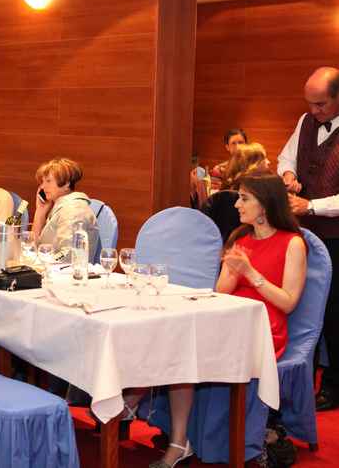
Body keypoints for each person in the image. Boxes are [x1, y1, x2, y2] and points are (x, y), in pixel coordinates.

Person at [126, 173, 307, 468]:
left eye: (244, 198)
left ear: (265, 204)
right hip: (229, 322)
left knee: (184, 347)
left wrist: (250, 273)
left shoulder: (293, 243)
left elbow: (288, 302)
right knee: (176, 339)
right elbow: (221, 293)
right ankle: (173, 437)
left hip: (262, 330)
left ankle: (135, 406)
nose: (236, 204)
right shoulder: (240, 239)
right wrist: (233, 272)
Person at [276, 66, 339, 410]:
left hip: (335, 238)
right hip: (301, 236)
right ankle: (300, 382)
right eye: (310, 104)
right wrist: (288, 174)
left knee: (333, 313)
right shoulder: (305, 122)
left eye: (321, 105)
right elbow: (285, 156)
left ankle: (333, 386)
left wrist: (311, 205)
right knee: (302, 309)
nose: (314, 111)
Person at [31, 158, 98, 260]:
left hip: (67, 269)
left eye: (48, 181)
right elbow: (32, 248)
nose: (43, 186)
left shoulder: (73, 210)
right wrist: (40, 212)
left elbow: (69, 255)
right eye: (42, 182)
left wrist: (41, 264)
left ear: (66, 184)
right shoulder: (61, 207)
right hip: (53, 268)